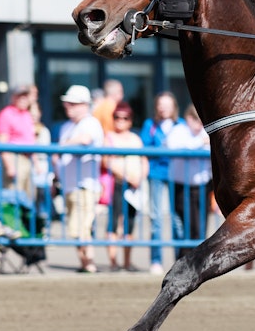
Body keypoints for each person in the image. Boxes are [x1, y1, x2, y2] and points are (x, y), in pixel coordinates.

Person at [53, 84, 105, 273]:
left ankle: (89, 264)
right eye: (67, 103)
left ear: (84, 105)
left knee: (82, 227)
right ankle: (84, 263)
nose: (68, 106)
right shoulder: (66, 126)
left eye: (73, 103)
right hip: (69, 185)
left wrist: (62, 146)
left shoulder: (91, 122)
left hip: (85, 185)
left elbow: (85, 140)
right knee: (75, 229)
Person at [102, 101, 148, 272]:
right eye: (117, 117)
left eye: (125, 118)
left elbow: (144, 161)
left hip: (133, 187)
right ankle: (113, 262)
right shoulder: (109, 137)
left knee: (130, 224)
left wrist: (140, 178)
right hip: (117, 184)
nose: (121, 121)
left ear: (130, 120)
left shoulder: (136, 139)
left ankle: (127, 262)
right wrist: (128, 176)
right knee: (113, 223)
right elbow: (107, 161)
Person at [140, 91, 181, 274]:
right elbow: (144, 146)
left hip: (176, 175)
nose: (163, 108)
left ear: (173, 107)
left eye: (167, 105)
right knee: (156, 218)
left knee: (176, 219)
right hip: (156, 174)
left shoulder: (181, 125)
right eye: (160, 105)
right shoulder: (150, 125)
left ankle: (180, 260)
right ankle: (155, 260)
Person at [166, 104, 211, 260]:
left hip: (202, 186)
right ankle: (186, 261)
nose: (200, 125)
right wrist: (200, 142)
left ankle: (193, 262)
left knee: (200, 228)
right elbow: (174, 148)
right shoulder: (178, 131)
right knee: (189, 228)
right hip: (181, 187)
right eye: (197, 120)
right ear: (188, 118)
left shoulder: (205, 132)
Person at [0, 85, 37, 203]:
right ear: (13, 97)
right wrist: (9, 166)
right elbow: (2, 142)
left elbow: (30, 140)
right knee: (14, 198)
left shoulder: (27, 114)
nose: (23, 99)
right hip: (15, 159)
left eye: (25, 96)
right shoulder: (6, 114)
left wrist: (36, 163)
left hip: (27, 160)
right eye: (20, 96)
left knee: (29, 199)